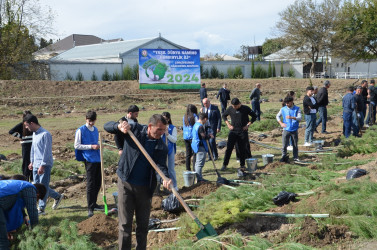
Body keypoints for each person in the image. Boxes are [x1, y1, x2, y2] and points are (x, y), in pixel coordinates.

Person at [104, 114, 172, 250]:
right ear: (150, 126)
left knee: (143, 226)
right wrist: (119, 126)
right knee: (125, 225)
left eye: (164, 130)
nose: (162, 132)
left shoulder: (161, 147)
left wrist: (165, 178)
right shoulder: (134, 130)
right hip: (126, 184)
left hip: (145, 190)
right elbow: (107, 126)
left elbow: (161, 167)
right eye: (159, 129)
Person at [23, 114, 64, 215]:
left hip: (44, 165)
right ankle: (57, 196)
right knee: (37, 187)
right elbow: (33, 149)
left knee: (43, 187)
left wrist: (43, 165)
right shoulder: (34, 134)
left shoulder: (46, 134)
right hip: (35, 164)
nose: (27, 128)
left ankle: (41, 209)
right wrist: (32, 162)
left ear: (32, 123)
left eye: (27, 126)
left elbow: (47, 152)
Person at [0, 180, 46, 249]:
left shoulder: (20, 186)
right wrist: (36, 233)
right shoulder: (31, 189)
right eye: (37, 199)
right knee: (3, 242)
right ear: (37, 195)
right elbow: (33, 214)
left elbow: (11, 201)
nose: (36, 201)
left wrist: (24, 215)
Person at [74, 110, 103, 218]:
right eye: (89, 121)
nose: (91, 123)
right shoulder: (80, 130)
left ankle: (94, 203)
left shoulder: (95, 130)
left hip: (97, 158)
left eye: (93, 121)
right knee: (91, 183)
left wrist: (99, 144)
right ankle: (90, 207)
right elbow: (77, 145)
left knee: (98, 182)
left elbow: (96, 141)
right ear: (86, 119)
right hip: (89, 158)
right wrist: (91, 146)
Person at [220, 98, 256, 171]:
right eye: (233, 106)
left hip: (242, 131)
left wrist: (248, 125)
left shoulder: (246, 108)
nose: (234, 107)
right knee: (229, 148)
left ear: (239, 104)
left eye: (235, 106)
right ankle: (225, 164)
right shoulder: (230, 109)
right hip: (233, 131)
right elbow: (224, 116)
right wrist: (228, 125)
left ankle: (242, 165)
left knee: (242, 149)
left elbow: (254, 116)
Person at [8, 111, 33, 182]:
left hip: (33, 145)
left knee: (32, 161)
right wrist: (20, 136)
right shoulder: (21, 125)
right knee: (26, 162)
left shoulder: (32, 124)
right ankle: (26, 178)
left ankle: (32, 178)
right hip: (26, 145)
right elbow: (11, 131)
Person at [276, 96, 301, 163]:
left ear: (292, 102)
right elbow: (277, 116)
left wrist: (292, 117)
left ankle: (295, 157)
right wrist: (281, 123)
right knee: (284, 144)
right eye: (286, 103)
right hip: (286, 129)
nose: (287, 104)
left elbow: (300, 118)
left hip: (294, 129)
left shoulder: (297, 109)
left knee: (295, 145)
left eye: (288, 103)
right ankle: (283, 156)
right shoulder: (283, 109)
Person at [191, 113, 213, 182]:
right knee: (199, 164)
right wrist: (210, 136)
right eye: (206, 120)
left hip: (195, 145)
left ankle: (200, 178)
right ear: (205, 119)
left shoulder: (195, 125)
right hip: (200, 146)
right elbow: (203, 136)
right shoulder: (200, 127)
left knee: (197, 163)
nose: (206, 122)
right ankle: (199, 179)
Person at [161, 112, 178, 190]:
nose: (165, 120)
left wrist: (167, 134)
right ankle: (164, 185)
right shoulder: (160, 127)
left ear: (169, 119)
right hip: (161, 150)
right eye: (163, 118)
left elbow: (174, 140)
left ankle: (174, 185)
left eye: (166, 119)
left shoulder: (172, 128)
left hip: (170, 150)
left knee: (171, 169)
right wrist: (162, 132)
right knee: (162, 169)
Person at [182, 104, 198, 171]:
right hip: (192, 137)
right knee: (195, 153)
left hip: (186, 136)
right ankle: (194, 168)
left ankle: (188, 169)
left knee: (188, 154)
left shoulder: (184, 116)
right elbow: (197, 125)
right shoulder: (194, 116)